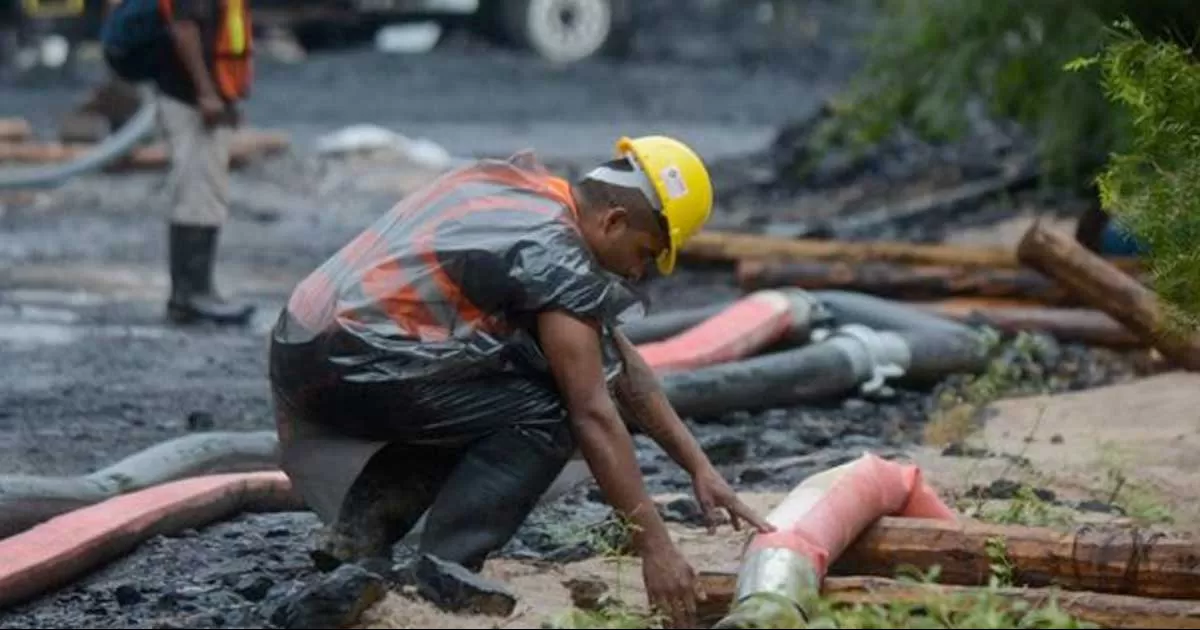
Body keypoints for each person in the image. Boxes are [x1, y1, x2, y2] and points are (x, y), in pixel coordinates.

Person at [268, 136, 774, 628]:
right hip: (361, 360)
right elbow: (595, 412)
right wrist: (656, 550)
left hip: (312, 346)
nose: (640, 272)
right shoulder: (557, 255)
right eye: (645, 252)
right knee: (549, 407)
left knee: (487, 398)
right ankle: (446, 570)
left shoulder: (534, 202)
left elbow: (626, 369)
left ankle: (359, 537)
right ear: (614, 220)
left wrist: (699, 468)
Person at [103, 0, 257, 324]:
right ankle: (191, 295)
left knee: (204, 191)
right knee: (196, 191)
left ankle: (196, 293)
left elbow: (221, 32)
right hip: (189, 99)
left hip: (203, 97)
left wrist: (226, 95)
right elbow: (184, 28)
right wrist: (207, 94)